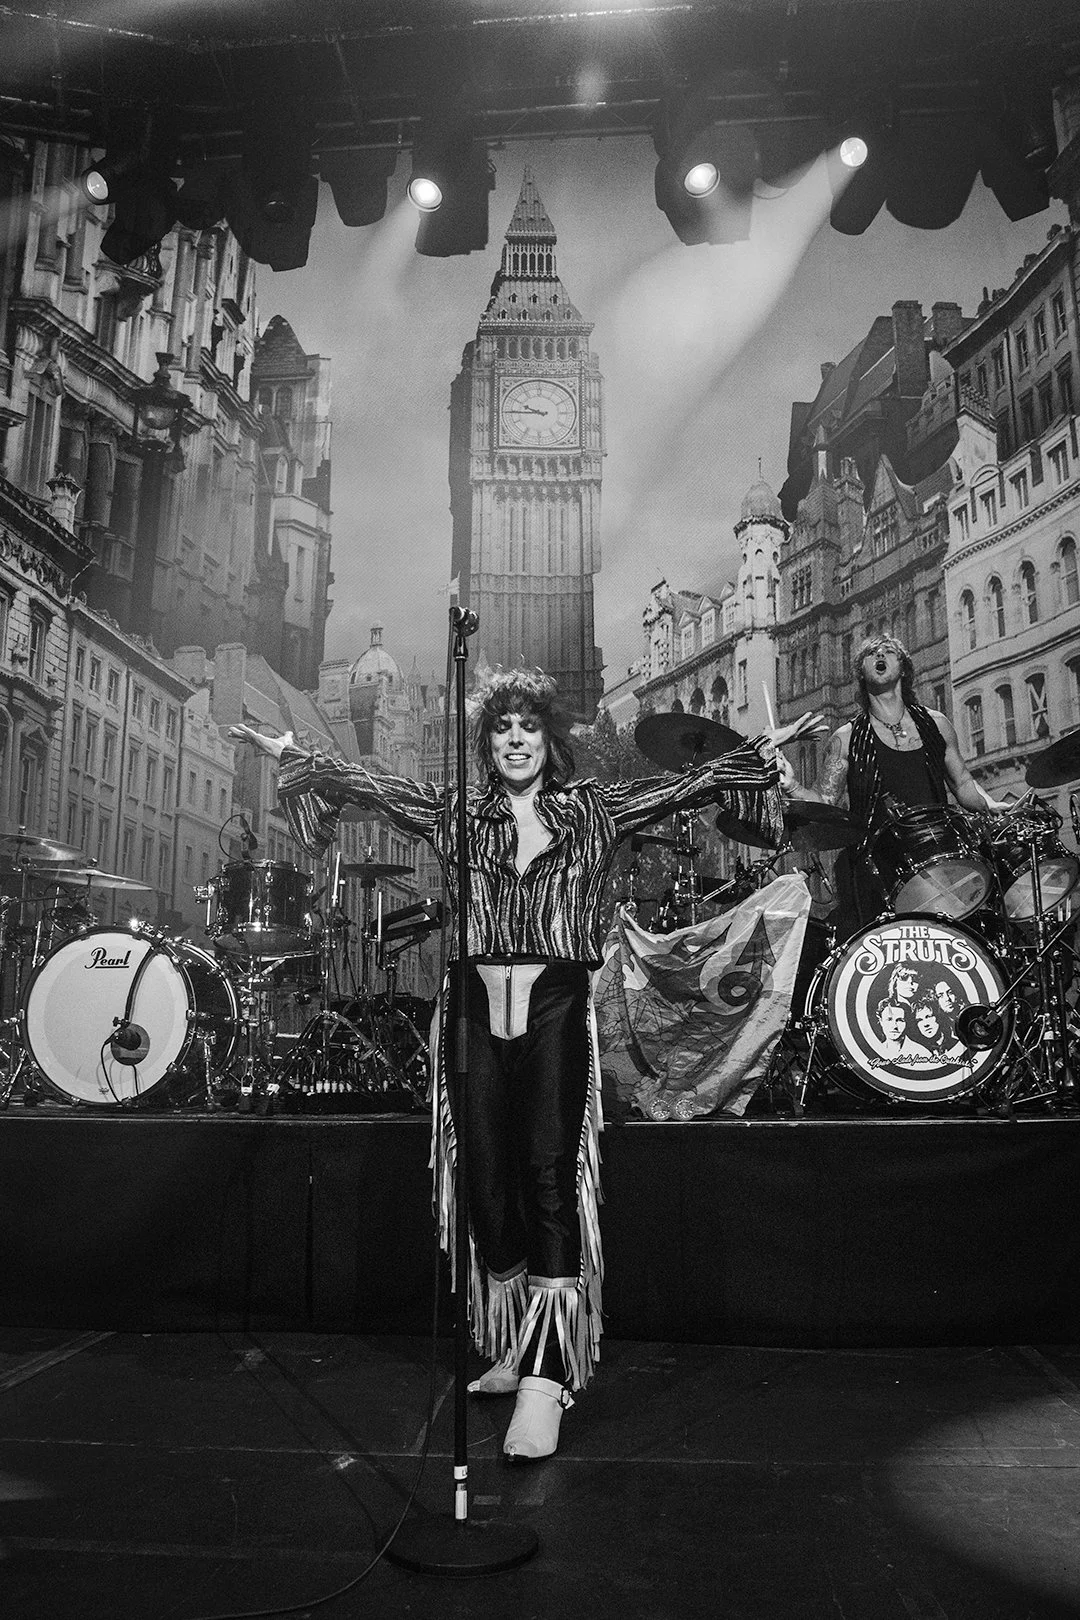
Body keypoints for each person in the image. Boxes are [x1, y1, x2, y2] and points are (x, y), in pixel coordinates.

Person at [230, 670, 812, 1462]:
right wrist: (296, 751)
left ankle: (545, 1375)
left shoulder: (592, 811)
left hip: (555, 1010)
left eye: (527, 727)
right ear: (486, 742)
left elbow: (686, 784)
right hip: (471, 1009)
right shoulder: (458, 814)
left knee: (546, 1174)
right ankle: (514, 1342)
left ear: (548, 740)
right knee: (483, 1181)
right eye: (500, 727)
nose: (513, 738)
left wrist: (748, 757)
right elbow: (369, 782)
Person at [806, 635, 1010, 938]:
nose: (879, 654)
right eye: (871, 653)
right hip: (878, 867)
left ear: (903, 667)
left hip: (940, 853)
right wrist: (794, 785)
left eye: (888, 651)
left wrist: (989, 803)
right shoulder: (846, 738)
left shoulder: (936, 723)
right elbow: (824, 800)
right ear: (861, 672)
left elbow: (963, 782)